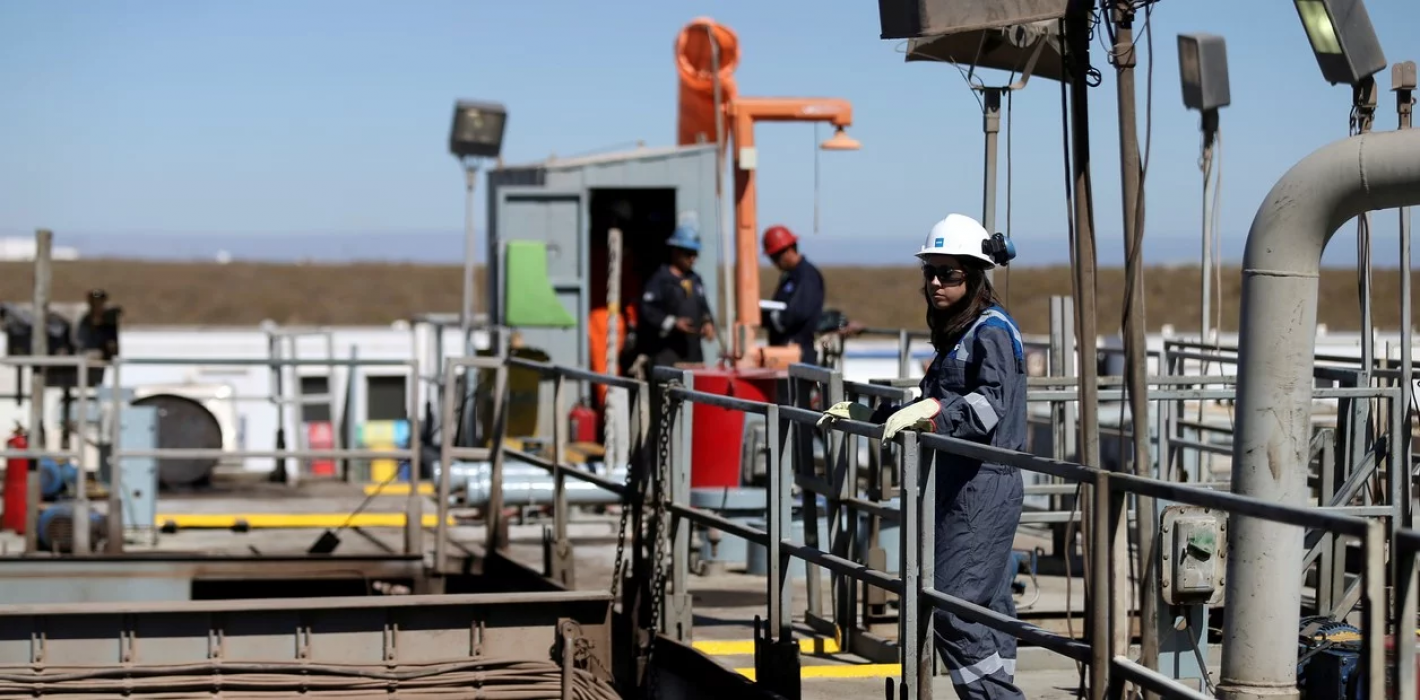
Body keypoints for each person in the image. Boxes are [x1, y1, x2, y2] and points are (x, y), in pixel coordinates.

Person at [817, 213, 1024, 699]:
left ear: (974, 276)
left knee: (952, 608)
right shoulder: (960, 332)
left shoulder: (991, 331)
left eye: (948, 273)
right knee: (986, 608)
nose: (935, 282)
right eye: (930, 271)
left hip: (982, 483)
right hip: (957, 481)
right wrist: (878, 414)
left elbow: (988, 406)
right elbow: (936, 401)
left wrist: (932, 417)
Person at [632, 224, 716, 370]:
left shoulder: (695, 280)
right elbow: (648, 310)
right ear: (676, 252)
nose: (693, 258)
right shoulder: (661, 279)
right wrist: (673, 323)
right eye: (688, 254)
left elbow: (704, 307)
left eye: (695, 254)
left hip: (693, 356)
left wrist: (707, 323)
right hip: (667, 355)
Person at [760, 225, 825, 366]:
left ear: (788, 250)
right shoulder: (790, 277)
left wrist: (773, 317)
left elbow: (798, 312)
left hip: (799, 356)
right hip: (784, 355)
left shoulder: (807, 276)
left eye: (774, 257)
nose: (774, 263)